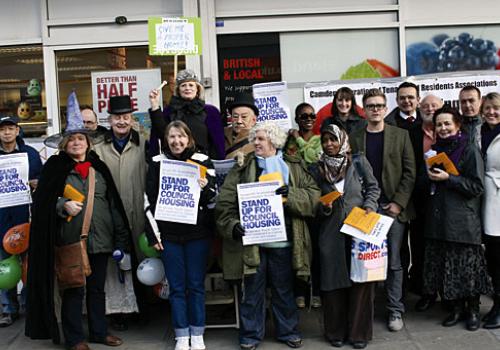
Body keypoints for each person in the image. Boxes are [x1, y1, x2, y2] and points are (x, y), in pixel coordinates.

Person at [25, 111, 130, 350]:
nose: (76, 142)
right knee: (73, 290)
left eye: (80, 138)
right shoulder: (54, 167)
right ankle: (74, 338)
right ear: (64, 144)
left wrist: (120, 237)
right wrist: (62, 204)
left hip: (101, 239)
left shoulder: (98, 167)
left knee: (97, 290)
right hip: (70, 240)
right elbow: (42, 203)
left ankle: (99, 333)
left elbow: (112, 203)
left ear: (88, 142)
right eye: (71, 139)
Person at [216, 121, 320, 350]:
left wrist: (291, 194)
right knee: (252, 291)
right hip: (252, 243)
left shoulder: (292, 165)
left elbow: (313, 196)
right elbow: (225, 203)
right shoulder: (242, 167)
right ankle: (251, 335)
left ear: (274, 141)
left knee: (284, 290)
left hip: (283, 242)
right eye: (255, 138)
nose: (255, 143)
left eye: (260, 139)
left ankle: (288, 331)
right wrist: (233, 225)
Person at [145, 120, 216, 350]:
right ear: (166, 140)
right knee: (176, 287)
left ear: (189, 139)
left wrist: (205, 187)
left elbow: (213, 198)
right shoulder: (157, 162)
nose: (176, 141)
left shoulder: (203, 160)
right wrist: (154, 235)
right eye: (172, 137)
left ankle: (197, 333)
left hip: (197, 234)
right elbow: (149, 200)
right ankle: (181, 335)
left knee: (195, 285)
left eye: (180, 137)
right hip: (169, 236)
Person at [350, 88, 416, 332]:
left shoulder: (400, 135)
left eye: (379, 105)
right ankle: (367, 311)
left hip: (392, 208)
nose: (375, 109)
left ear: (386, 108)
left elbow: (410, 173)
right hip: (366, 208)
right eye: (370, 106)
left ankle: (395, 310)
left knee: (394, 262)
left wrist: (398, 203)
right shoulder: (355, 137)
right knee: (366, 261)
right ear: (364, 110)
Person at [309, 124, 380, 349]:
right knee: (333, 283)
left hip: (359, 229)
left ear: (343, 140)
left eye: (333, 140)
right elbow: (312, 202)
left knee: (360, 282)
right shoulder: (316, 169)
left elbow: (373, 188)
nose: (329, 144)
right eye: (325, 141)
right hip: (330, 234)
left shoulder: (358, 162)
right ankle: (335, 332)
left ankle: (359, 334)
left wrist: (369, 206)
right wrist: (325, 207)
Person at [422, 106, 491, 332]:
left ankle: (472, 311)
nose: (443, 128)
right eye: (439, 124)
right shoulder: (434, 151)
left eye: (447, 124)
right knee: (449, 269)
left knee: (467, 270)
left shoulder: (469, 149)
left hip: (463, 222)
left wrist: (448, 178)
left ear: (457, 125)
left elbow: (477, 186)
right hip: (441, 220)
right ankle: (456, 309)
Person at [93, 95, 142, 329]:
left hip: (138, 212)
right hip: (111, 214)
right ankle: (118, 312)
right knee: (115, 264)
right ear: (109, 120)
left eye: (126, 117)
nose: (121, 122)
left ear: (132, 119)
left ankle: (142, 308)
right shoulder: (99, 148)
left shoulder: (143, 142)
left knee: (141, 259)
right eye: (116, 117)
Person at [0, 115, 42, 327]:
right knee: (4, 264)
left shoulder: (31, 154)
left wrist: (37, 183)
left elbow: (42, 180)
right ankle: (8, 309)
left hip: (25, 215)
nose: (6, 133)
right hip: (1, 218)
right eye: (3, 129)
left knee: (28, 265)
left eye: (10, 128)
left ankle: (28, 305)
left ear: (18, 131)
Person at [286, 103, 322, 309]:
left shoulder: (320, 140)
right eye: (303, 116)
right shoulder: (288, 142)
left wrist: (298, 139)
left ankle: (315, 292)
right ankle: (300, 292)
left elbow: (311, 157)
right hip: (296, 199)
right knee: (298, 246)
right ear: (296, 118)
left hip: (315, 198)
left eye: (311, 115)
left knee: (316, 248)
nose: (308, 119)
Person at [412, 94, 444, 312]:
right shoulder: (412, 132)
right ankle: (427, 292)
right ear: (419, 108)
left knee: (447, 248)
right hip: (421, 197)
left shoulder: (450, 129)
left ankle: (449, 294)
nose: (430, 109)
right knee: (422, 248)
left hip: (448, 197)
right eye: (426, 106)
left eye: (434, 105)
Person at [148, 69, 225, 159]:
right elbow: (161, 134)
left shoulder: (210, 112)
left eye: (191, 85)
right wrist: (155, 105)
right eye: (183, 85)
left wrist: (216, 167)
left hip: (202, 163)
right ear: (178, 90)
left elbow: (218, 143)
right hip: (175, 164)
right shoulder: (170, 111)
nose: (187, 88)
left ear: (197, 88)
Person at [480, 92, 500, 329]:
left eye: (496, 108)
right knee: (491, 256)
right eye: (488, 109)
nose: (492, 112)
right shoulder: (480, 131)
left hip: (497, 200)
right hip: (483, 200)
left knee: (497, 255)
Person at [224, 93, 258, 159]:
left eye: (244, 117)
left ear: (254, 120)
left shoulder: (259, 139)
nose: (239, 121)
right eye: (235, 116)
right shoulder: (220, 134)